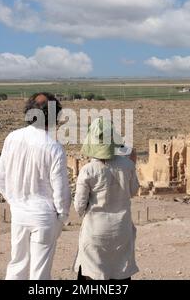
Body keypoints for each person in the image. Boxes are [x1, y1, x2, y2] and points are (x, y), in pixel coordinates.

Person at [0, 93, 71, 280]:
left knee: (17, 264)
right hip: (44, 215)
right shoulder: (54, 147)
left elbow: (1, 179)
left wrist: (14, 201)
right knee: (40, 273)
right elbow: (60, 190)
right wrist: (62, 216)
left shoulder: (12, 138)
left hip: (19, 212)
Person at [73, 117, 140, 280]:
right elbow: (133, 191)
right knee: (120, 272)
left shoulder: (88, 170)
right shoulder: (127, 166)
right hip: (121, 229)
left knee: (92, 274)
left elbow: (79, 206)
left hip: (95, 231)